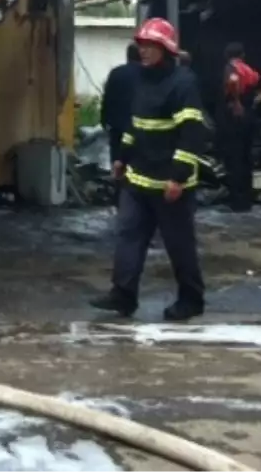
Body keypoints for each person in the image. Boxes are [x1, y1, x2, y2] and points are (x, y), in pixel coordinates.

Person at [90, 18, 209, 321]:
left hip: (170, 183)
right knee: (128, 235)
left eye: (149, 46)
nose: (142, 51)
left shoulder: (183, 84)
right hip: (138, 178)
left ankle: (191, 299)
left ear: (165, 49)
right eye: (141, 45)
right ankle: (123, 295)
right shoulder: (142, 81)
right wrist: (122, 157)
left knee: (179, 245)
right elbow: (136, 124)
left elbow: (191, 134)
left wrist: (178, 178)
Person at [217, 43, 261, 212]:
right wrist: (255, 101)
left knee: (234, 158)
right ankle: (247, 200)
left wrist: (236, 102)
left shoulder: (231, 67)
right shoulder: (250, 71)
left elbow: (233, 81)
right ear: (242, 55)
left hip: (234, 117)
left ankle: (236, 202)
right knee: (246, 157)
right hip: (250, 116)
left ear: (227, 55)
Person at [100, 43, 139, 169]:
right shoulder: (146, 74)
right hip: (137, 126)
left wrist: (104, 119)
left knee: (117, 159)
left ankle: (117, 184)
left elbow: (107, 98)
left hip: (116, 126)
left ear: (127, 56)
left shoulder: (116, 73)